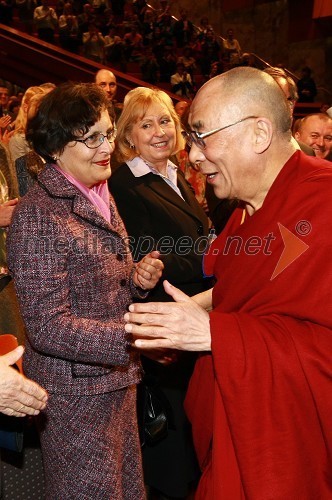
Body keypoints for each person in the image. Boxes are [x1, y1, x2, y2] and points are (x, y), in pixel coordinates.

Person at [124, 67, 332, 498]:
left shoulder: (324, 201)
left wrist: (212, 332)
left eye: (202, 136)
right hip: (236, 422)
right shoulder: (244, 212)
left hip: (289, 449)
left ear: (258, 133)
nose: (193, 156)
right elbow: (247, 296)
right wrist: (185, 322)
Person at [7, 82, 164, 499]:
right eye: (92, 137)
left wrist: (136, 279)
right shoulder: (38, 216)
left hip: (116, 382)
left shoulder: (99, 192)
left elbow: (105, 280)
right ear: (56, 148)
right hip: (76, 397)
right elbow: (47, 326)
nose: (106, 146)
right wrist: (132, 338)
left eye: (109, 133)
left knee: (126, 491)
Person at [109, 86, 211, 499]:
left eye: (165, 120)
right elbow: (145, 255)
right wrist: (211, 257)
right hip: (162, 315)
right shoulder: (125, 183)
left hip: (192, 311)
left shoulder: (174, 173)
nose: (158, 131)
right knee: (168, 436)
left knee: (191, 423)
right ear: (129, 136)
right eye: (145, 124)